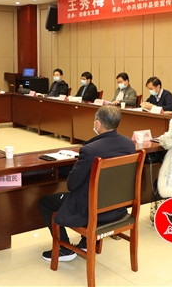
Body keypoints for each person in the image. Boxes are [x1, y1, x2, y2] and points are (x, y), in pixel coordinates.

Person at [38, 106, 135, 262]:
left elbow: (72, 184)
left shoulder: (90, 150)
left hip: (92, 210)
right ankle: (86, 243)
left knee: (45, 202)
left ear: (98, 123)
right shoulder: (129, 145)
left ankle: (64, 249)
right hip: (117, 208)